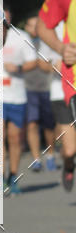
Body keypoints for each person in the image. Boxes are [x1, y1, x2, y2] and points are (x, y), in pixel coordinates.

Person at [37, 0, 76, 188]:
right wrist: (62, 49)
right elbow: (43, 25)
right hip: (69, 88)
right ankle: (68, 165)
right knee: (70, 149)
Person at [2, 9, 37, 194]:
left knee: (14, 139)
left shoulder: (20, 36)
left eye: (6, 15)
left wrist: (19, 67)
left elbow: (33, 62)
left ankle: (12, 176)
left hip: (16, 96)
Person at [23, 16, 57, 172]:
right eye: (31, 25)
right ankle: (36, 159)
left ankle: (50, 155)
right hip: (27, 89)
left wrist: (44, 65)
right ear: (27, 27)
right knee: (32, 124)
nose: (35, 29)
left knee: (49, 126)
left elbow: (53, 66)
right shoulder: (22, 42)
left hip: (47, 89)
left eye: (38, 25)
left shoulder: (48, 42)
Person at [48, 22, 76, 190]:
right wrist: (56, 66)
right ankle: (68, 166)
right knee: (70, 150)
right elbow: (43, 62)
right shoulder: (53, 30)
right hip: (61, 96)